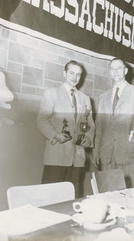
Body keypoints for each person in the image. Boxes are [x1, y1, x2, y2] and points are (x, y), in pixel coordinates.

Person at [94, 58, 134, 187]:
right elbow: (99, 126)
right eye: (112, 69)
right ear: (110, 72)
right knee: (108, 197)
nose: (115, 71)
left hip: (129, 155)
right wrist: (96, 151)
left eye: (119, 68)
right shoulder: (103, 97)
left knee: (131, 198)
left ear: (126, 71)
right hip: (107, 157)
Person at [37, 60, 95, 198]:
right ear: (64, 73)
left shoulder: (85, 99)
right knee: (49, 199)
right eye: (71, 73)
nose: (75, 78)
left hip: (78, 159)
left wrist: (87, 139)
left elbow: (90, 125)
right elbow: (42, 119)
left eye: (78, 75)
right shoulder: (51, 94)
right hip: (57, 156)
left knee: (72, 199)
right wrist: (55, 134)